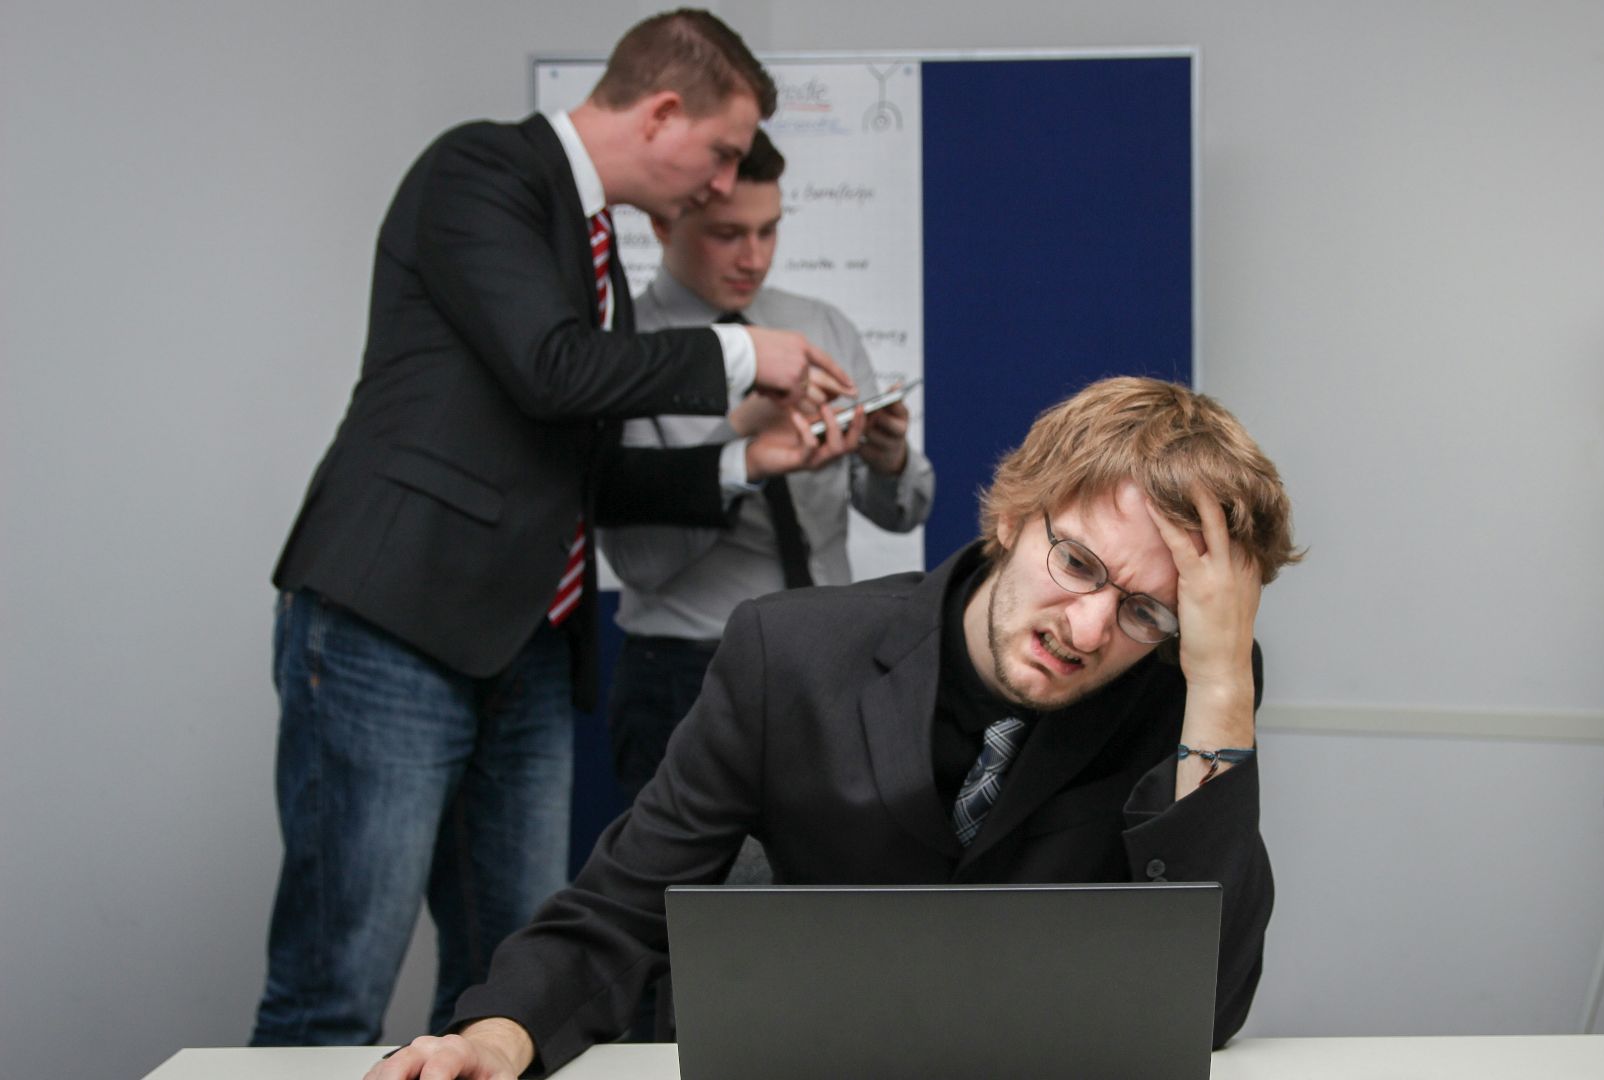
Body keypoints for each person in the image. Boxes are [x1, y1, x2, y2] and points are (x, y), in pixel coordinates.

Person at [368, 376, 1303, 1080]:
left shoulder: (1187, 688)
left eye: (1149, 611)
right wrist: (496, 1032)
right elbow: (625, 902)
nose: (1093, 629)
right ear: (1017, 515)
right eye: (1078, 564)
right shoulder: (791, 655)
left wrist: (1220, 680)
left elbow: (1206, 1005)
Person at [254, 9, 855, 1046]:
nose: (722, 185)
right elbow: (550, 372)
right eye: (718, 154)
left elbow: (586, 470)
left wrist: (745, 460)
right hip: (396, 628)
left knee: (504, 994)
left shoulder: (592, 255)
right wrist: (751, 356)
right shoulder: (480, 172)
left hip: (527, 648)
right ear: (663, 111)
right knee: (335, 988)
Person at [600, 128, 936, 806]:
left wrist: (888, 456)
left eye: (769, 231)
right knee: (687, 906)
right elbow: (639, 563)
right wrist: (741, 444)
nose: (754, 256)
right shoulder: (624, 349)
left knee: (839, 900)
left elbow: (904, 510)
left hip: (835, 662)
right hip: (687, 672)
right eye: (727, 234)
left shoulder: (821, 324)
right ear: (664, 222)